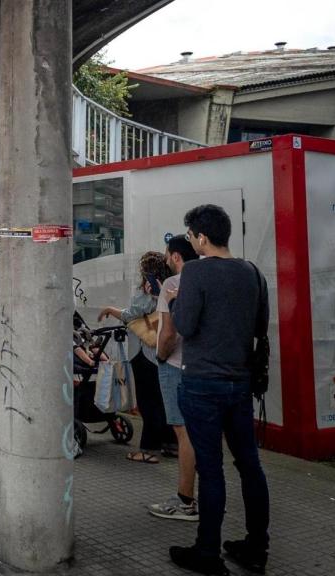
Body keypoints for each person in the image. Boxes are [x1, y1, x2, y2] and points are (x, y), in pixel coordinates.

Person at [167, 205, 271, 576]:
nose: (193, 243)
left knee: (211, 471)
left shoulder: (194, 271)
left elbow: (186, 326)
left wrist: (175, 303)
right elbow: (261, 326)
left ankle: (207, 553)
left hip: (201, 385)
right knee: (250, 466)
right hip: (240, 384)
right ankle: (256, 548)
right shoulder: (252, 272)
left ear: (201, 238)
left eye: (193, 236)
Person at [99, 251, 174, 464]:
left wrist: (109, 309)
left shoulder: (147, 294)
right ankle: (170, 443)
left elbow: (131, 314)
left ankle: (148, 449)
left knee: (149, 404)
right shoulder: (170, 289)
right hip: (163, 353)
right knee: (163, 401)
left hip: (144, 354)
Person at [149, 235, 201, 522]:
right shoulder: (205, 282)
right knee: (199, 432)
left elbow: (169, 334)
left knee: (184, 434)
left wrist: (160, 356)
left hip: (173, 366)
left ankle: (185, 499)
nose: (167, 259)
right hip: (198, 368)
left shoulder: (172, 285)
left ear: (177, 256)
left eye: (169, 254)